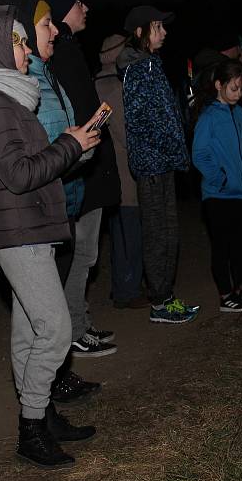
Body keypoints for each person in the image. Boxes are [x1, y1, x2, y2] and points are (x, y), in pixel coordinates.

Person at [0, 3, 101, 469]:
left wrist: (73, 149)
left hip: (27, 224)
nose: (24, 49)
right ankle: (31, 429)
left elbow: (31, 166)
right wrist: (69, 145)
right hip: (19, 229)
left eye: (22, 39)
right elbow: (17, 175)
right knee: (55, 331)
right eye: (16, 41)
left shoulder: (9, 96)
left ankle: (41, 415)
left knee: (29, 331)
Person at [38, 0, 120, 356]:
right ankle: (71, 330)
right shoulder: (59, 54)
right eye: (78, 2)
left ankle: (79, 323)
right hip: (76, 169)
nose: (85, 8)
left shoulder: (69, 49)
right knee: (79, 252)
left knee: (86, 253)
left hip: (86, 165)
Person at [118, 5, 200, 323]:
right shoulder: (139, 69)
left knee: (169, 232)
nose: (164, 32)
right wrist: (164, 152)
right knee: (158, 234)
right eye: (157, 27)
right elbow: (143, 121)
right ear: (140, 33)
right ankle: (160, 303)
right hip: (153, 165)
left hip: (162, 163)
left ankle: (167, 296)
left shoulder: (151, 64)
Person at [192, 59, 242, 312]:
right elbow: (200, 153)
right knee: (222, 245)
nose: (238, 94)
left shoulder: (240, 114)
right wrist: (220, 178)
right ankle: (225, 294)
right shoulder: (208, 117)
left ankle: (241, 289)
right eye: (234, 89)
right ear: (219, 85)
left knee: (239, 245)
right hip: (218, 195)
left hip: (241, 193)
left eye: (241, 89)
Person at [95, 33, 148, 310]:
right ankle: (127, 289)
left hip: (107, 172)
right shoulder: (117, 87)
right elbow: (127, 134)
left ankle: (124, 287)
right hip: (126, 172)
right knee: (129, 233)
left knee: (120, 232)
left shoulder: (96, 84)